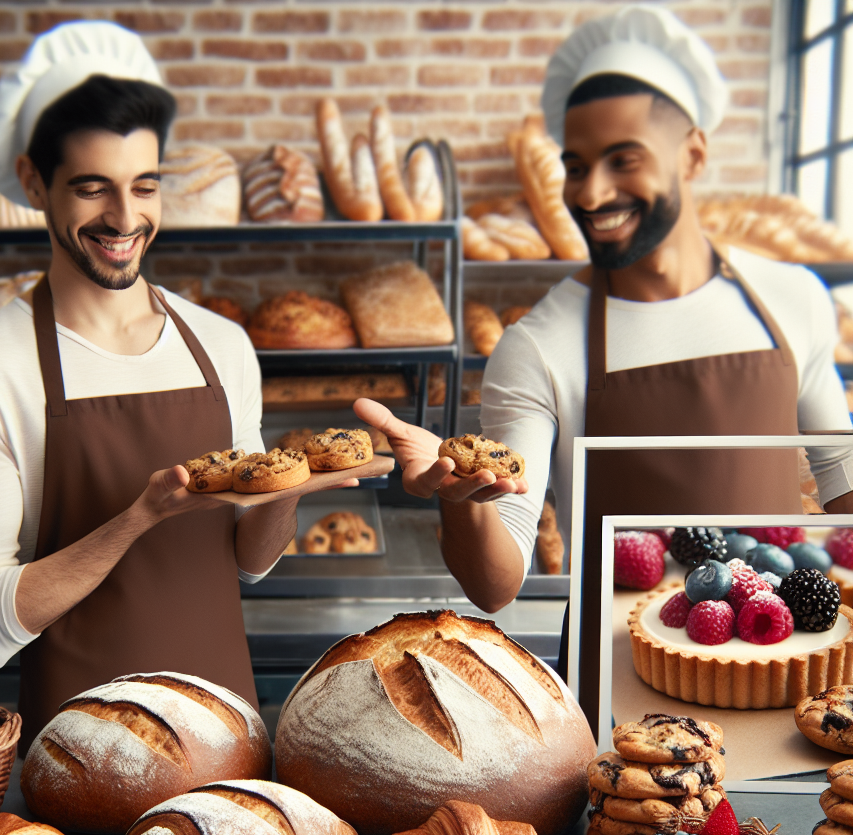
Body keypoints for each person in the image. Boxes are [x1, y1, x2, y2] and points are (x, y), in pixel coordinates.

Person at [358, 4, 853, 722]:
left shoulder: (791, 300)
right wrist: (459, 500)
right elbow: (498, 585)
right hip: (622, 709)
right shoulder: (540, 344)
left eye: (625, 160)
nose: (590, 194)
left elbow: (844, 502)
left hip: (784, 694)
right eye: (576, 166)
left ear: (693, 153)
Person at [0, 23, 301, 749]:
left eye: (145, 186)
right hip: (78, 762)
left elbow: (248, 563)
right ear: (34, 181)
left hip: (233, 752)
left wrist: (286, 494)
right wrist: (138, 518)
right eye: (92, 189)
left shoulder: (222, 345)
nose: (126, 221)